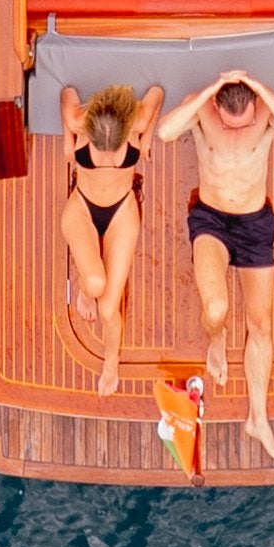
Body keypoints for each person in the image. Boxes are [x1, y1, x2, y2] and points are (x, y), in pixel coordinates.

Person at [158, 66, 274, 465]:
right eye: (230, 124)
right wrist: (207, 91)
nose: (238, 131)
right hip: (210, 219)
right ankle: (217, 340)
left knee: (261, 325)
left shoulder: (266, 113)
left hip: (255, 224)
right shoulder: (205, 110)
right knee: (216, 309)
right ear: (217, 106)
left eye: (245, 124)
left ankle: (258, 418)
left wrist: (261, 88)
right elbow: (165, 133)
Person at [59, 79, 164, 397]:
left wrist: (145, 138)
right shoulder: (79, 119)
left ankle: (110, 365)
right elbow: (68, 94)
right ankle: (83, 289)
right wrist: (68, 139)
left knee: (108, 310)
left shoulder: (137, 120)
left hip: (121, 211)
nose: (105, 156)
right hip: (81, 207)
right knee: (94, 284)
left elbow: (157, 94)